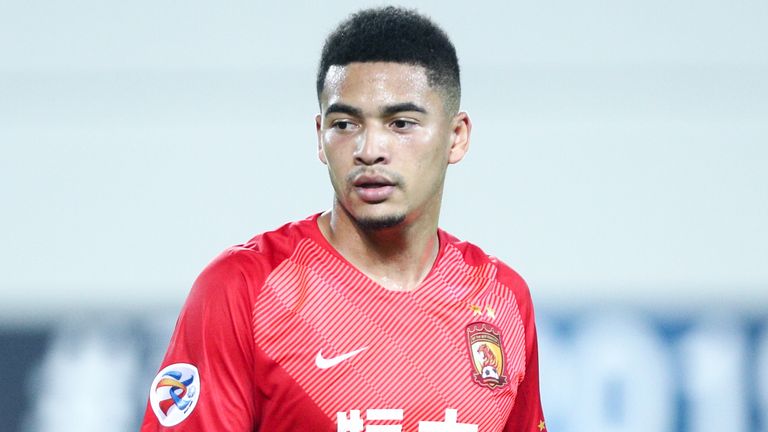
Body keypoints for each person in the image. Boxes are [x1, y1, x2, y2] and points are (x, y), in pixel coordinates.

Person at [141, 6, 546, 432]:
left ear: (456, 137)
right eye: (345, 124)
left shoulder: (502, 300)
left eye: (401, 123)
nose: (369, 149)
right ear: (320, 137)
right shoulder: (244, 289)